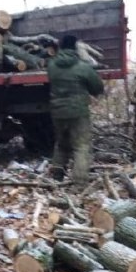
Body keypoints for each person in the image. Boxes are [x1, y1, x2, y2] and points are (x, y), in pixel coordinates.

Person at [46, 34, 104, 187]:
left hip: (57, 112)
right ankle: (79, 184)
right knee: (81, 146)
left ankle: (57, 176)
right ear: (75, 47)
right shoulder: (83, 67)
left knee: (61, 143)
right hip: (78, 112)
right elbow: (97, 87)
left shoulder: (51, 65)